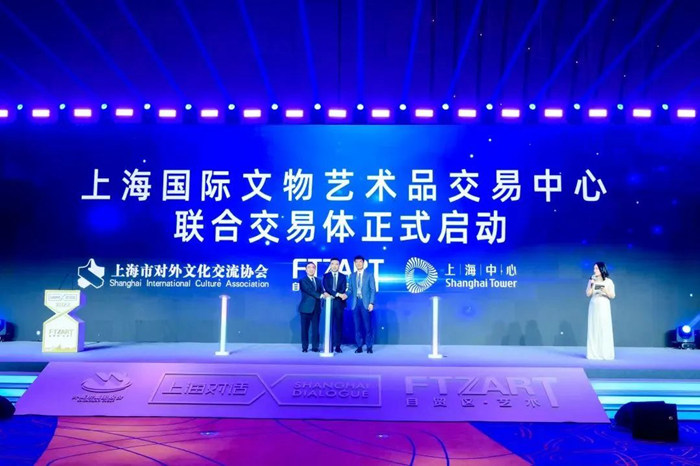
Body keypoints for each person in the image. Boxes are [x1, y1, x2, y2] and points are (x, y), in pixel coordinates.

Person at [585, 262, 616, 360]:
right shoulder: (592, 280)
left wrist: (604, 290)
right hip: (594, 305)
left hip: (604, 305)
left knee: (603, 327)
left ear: (602, 269)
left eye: (597, 268)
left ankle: (605, 353)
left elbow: (612, 295)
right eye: (594, 268)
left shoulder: (608, 281)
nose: (594, 270)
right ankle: (593, 353)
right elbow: (588, 294)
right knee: (594, 328)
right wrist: (591, 284)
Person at [347, 255, 376, 353]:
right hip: (355, 303)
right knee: (357, 327)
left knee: (368, 327)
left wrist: (371, 303)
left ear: (363, 263)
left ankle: (369, 347)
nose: (358, 263)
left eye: (360, 262)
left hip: (365, 303)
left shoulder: (369, 275)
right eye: (356, 262)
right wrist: (344, 295)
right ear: (354, 263)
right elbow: (350, 289)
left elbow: (373, 290)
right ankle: (359, 346)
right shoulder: (352, 275)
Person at [298, 262, 329, 352]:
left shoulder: (318, 280)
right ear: (306, 269)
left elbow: (322, 291)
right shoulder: (303, 281)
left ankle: (315, 347)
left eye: (313, 267)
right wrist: (321, 295)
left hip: (316, 309)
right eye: (309, 267)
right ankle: (305, 347)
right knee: (305, 329)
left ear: (315, 269)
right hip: (305, 309)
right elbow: (309, 291)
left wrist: (325, 293)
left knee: (315, 329)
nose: (311, 269)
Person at [323, 258, 348, 353]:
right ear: (330, 265)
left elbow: (343, 288)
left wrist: (337, 295)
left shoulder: (343, 276)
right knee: (329, 324)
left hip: (339, 303)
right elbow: (327, 288)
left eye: (336, 264)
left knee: (338, 325)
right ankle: (329, 344)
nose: (334, 266)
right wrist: (337, 294)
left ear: (339, 265)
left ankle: (338, 346)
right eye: (332, 264)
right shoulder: (326, 276)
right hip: (329, 303)